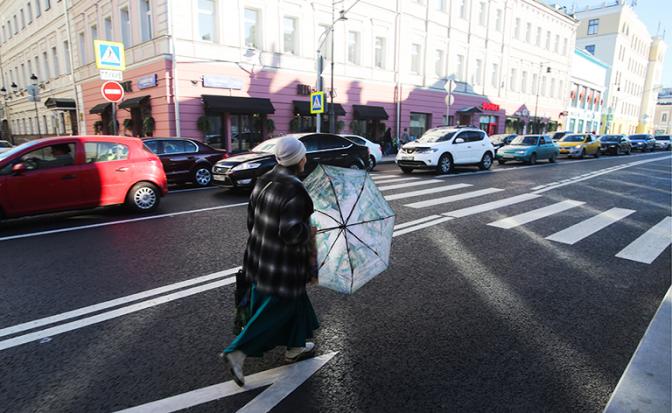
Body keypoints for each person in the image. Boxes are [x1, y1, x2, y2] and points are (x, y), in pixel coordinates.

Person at [223, 136, 319, 387]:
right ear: (298, 159)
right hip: (282, 265)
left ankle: (295, 347)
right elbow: (290, 233)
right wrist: (309, 233)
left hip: (258, 256)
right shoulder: (295, 189)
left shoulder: (263, 180)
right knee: (277, 307)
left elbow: (251, 221)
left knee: (295, 300)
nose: (305, 159)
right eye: (304, 155)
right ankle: (238, 351)